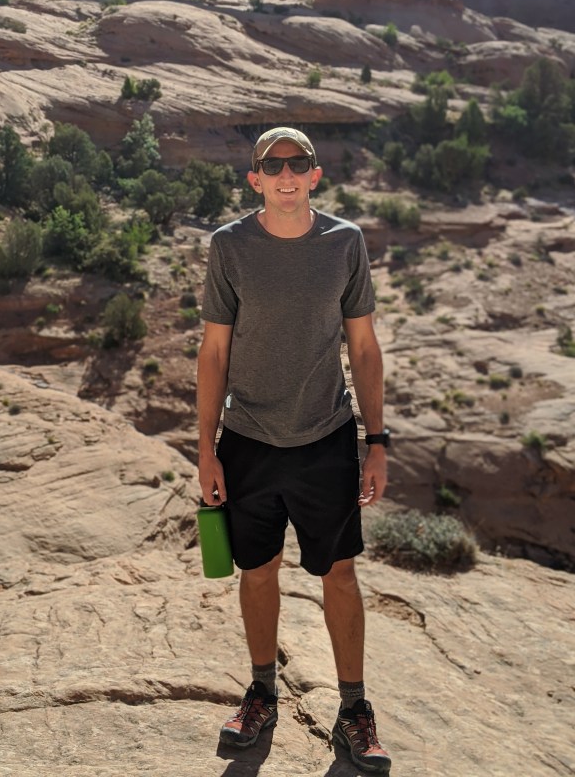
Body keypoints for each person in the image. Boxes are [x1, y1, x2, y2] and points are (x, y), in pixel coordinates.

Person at [197, 126, 391, 773]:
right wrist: (206, 449)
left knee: (341, 573)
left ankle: (354, 709)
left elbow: (363, 346)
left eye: (297, 162)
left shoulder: (345, 242)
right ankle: (261, 693)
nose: (286, 174)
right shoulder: (229, 246)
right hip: (248, 440)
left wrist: (377, 441)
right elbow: (214, 351)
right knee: (257, 571)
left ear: (314, 175)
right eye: (273, 164)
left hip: (325, 437)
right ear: (255, 178)